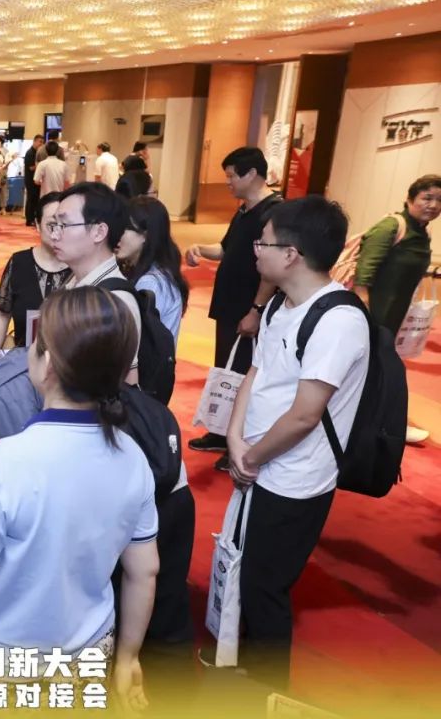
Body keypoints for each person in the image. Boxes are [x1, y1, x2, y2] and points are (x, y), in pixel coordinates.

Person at [0, 286, 159, 717]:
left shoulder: (2, 464)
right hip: (90, 651)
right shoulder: (131, 456)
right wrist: (128, 658)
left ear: (46, 364)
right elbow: (144, 571)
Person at [225, 196, 368, 690]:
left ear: (291, 254)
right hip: (257, 461)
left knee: (265, 587)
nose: (255, 250)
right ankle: (239, 668)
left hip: (295, 477)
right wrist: (235, 437)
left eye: (262, 242)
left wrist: (251, 456)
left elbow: (307, 414)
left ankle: (265, 692)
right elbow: (257, 373)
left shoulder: (338, 320)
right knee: (244, 570)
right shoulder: (278, 304)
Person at [185, 147, 281, 470]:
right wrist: (200, 248)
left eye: (231, 176)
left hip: (249, 309)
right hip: (229, 306)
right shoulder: (244, 210)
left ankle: (237, 441)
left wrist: (256, 309)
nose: (227, 182)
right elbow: (227, 249)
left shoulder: (273, 213)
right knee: (225, 371)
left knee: (244, 377)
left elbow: (271, 270)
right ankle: (219, 430)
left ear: (251, 174)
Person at [353, 174, 440, 443]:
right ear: (410, 199)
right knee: (375, 369)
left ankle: (376, 422)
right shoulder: (392, 226)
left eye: (439, 200)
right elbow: (364, 271)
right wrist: (364, 312)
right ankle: (379, 424)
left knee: (380, 370)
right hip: (374, 313)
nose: (433, 205)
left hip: (396, 315)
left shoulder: (423, 233)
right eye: (427, 198)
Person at [52, 182, 141, 386]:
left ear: (99, 232)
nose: (54, 234)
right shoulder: (75, 280)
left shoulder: (116, 301)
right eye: (54, 225)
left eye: (64, 225)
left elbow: (126, 383)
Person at [0, 192, 72, 350]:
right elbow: (2, 314)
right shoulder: (19, 262)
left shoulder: (79, 268)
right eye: (52, 224)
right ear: (38, 224)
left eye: (65, 225)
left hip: (66, 362)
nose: (58, 231)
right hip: (23, 359)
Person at [116, 197, 189, 344]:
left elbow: (135, 340)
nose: (117, 234)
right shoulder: (159, 271)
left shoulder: (150, 283)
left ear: (145, 235)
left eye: (125, 228)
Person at [23, 134, 45, 226]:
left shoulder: (39, 153)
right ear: (34, 141)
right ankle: (29, 220)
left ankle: (34, 219)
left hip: (37, 180)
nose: (41, 144)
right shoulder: (29, 153)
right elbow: (31, 167)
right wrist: (41, 165)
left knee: (36, 200)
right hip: (30, 181)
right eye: (40, 142)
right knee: (31, 200)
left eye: (42, 142)